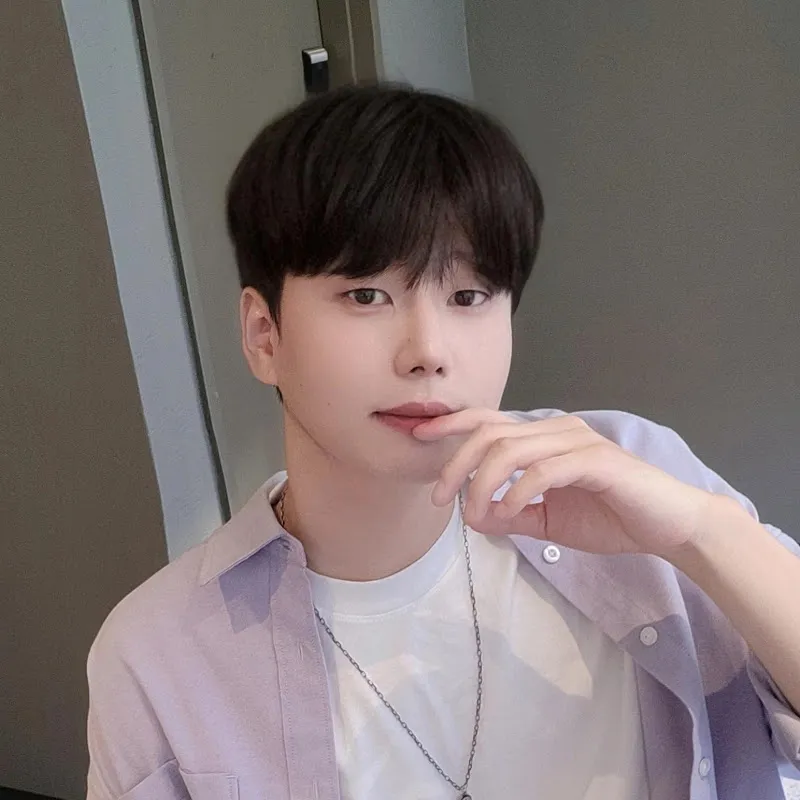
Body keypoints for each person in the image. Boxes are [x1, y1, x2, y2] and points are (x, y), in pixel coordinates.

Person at [85, 83, 800, 800]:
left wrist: (705, 536)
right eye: (366, 295)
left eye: (468, 297)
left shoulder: (628, 471)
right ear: (263, 336)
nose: (428, 351)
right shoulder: (158, 655)